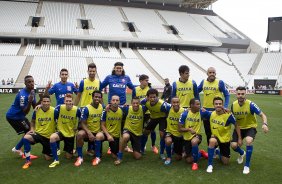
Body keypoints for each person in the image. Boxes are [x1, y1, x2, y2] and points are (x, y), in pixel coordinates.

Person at [231, 86, 269, 174]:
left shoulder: (251, 104)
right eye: (239, 94)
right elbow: (234, 121)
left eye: (242, 94)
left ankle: (247, 165)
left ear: (245, 94)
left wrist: (265, 124)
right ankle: (241, 153)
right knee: (233, 145)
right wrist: (239, 138)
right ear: (236, 94)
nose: (240, 96)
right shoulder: (233, 105)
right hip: (239, 128)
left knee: (249, 141)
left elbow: (263, 115)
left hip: (250, 127)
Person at [204, 97, 241, 173]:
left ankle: (217, 151)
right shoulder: (211, 114)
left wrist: (239, 138)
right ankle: (210, 165)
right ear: (213, 105)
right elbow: (197, 110)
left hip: (225, 140)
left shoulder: (228, 115)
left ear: (223, 105)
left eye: (220, 104)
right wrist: (187, 109)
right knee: (212, 141)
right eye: (216, 104)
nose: (218, 105)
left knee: (225, 162)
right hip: (215, 138)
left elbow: (237, 125)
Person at [6, 75, 38, 159]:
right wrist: (30, 101)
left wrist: (42, 98)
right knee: (29, 131)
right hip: (14, 116)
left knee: (29, 130)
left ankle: (17, 148)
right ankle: (20, 150)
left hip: (20, 116)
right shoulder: (23, 95)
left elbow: (35, 107)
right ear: (25, 83)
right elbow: (26, 112)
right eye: (29, 82)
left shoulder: (32, 91)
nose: (31, 83)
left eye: (32, 81)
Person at [21, 95, 56, 169]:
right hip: (38, 134)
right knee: (26, 138)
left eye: (48, 101)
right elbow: (32, 122)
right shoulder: (37, 110)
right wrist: (32, 129)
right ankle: (28, 161)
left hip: (49, 137)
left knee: (48, 158)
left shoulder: (54, 110)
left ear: (50, 102)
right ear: (41, 102)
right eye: (44, 101)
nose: (46, 103)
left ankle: (52, 150)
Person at [198, 67, 230, 144]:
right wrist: (199, 104)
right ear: (207, 73)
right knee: (208, 131)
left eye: (213, 72)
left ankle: (219, 149)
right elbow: (196, 92)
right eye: (210, 72)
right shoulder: (203, 82)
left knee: (217, 131)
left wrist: (224, 107)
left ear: (215, 74)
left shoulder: (220, 82)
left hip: (217, 110)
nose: (212, 74)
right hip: (206, 111)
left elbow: (227, 94)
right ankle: (211, 148)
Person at [48, 94, 81, 168]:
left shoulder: (77, 110)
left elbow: (82, 119)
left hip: (70, 134)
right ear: (64, 101)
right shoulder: (59, 108)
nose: (68, 102)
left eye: (70, 101)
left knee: (68, 157)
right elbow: (50, 110)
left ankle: (72, 150)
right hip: (61, 131)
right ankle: (56, 160)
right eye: (67, 101)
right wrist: (40, 106)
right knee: (52, 138)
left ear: (72, 101)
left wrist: (78, 127)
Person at [74, 91, 104, 167]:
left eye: (99, 97)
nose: (97, 98)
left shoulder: (102, 107)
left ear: (101, 98)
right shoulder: (86, 108)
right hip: (88, 132)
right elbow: (82, 123)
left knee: (99, 136)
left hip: (98, 131)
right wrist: (89, 133)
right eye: (96, 97)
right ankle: (80, 157)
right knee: (79, 135)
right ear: (92, 97)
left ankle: (97, 157)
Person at [114, 97, 147, 165]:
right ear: (131, 104)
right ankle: (119, 157)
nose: (135, 105)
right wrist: (108, 105)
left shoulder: (143, 108)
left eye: (137, 103)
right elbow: (116, 105)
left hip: (137, 134)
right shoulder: (127, 108)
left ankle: (133, 149)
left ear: (139, 103)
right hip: (128, 130)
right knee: (125, 137)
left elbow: (148, 100)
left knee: (138, 156)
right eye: (134, 103)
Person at [93, 95, 124, 165]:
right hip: (106, 133)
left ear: (119, 102)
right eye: (113, 100)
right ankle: (98, 157)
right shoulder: (105, 111)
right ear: (110, 101)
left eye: (117, 100)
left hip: (115, 135)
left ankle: (112, 150)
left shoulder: (122, 110)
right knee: (98, 136)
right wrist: (108, 135)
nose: (115, 102)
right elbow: (102, 125)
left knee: (114, 156)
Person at [179, 98, 208, 170]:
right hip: (186, 138)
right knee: (188, 160)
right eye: (197, 104)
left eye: (199, 104)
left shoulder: (201, 112)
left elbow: (214, 113)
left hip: (197, 135)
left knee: (194, 141)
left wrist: (223, 109)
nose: (199, 106)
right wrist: (189, 129)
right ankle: (200, 153)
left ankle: (195, 163)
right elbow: (179, 129)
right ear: (191, 105)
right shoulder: (185, 114)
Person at [140, 88, 169, 160]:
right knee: (145, 132)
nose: (152, 99)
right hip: (153, 118)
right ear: (147, 97)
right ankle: (141, 149)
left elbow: (172, 108)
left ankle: (162, 153)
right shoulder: (145, 102)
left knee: (162, 134)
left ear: (157, 97)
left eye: (154, 97)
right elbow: (136, 104)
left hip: (162, 118)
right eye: (150, 97)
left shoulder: (163, 105)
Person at [132, 74, 158, 154]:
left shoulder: (150, 89)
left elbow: (155, 100)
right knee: (141, 131)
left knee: (152, 130)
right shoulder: (135, 89)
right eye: (146, 80)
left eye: (147, 80)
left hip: (149, 113)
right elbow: (133, 100)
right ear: (141, 81)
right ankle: (141, 146)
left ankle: (153, 146)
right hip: (140, 113)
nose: (147, 82)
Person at [163, 97, 185, 165]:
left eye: (177, 102)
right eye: (174, 102)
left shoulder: (184, 111)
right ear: (171, 103)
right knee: (168, 141)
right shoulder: (168, 108)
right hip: (170, 132)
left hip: (179, 134)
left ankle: (176, 149)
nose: (175, 104)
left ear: (180, 103)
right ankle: (169, 157)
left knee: (178, 158)